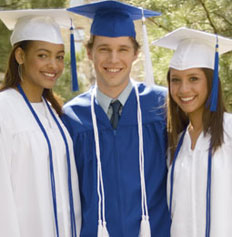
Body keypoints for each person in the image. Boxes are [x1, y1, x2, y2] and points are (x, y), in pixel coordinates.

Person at [62, 1, 170, 236]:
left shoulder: (162, 106)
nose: (113, 59)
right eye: (104, 49)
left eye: (122, 49)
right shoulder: (71, 117)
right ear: (90, 52)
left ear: (136, 54)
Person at [0, 9, 81, 237]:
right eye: (43, 55)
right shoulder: (4, 110)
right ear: (20, 56)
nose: (53, 65)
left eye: (59, 56)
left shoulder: (53, 111)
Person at [153, 27, 232, 237]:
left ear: (211, 81)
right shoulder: (178, 143)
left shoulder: (230, 131)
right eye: (176, 80)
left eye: (194, 79)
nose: (183, 89)